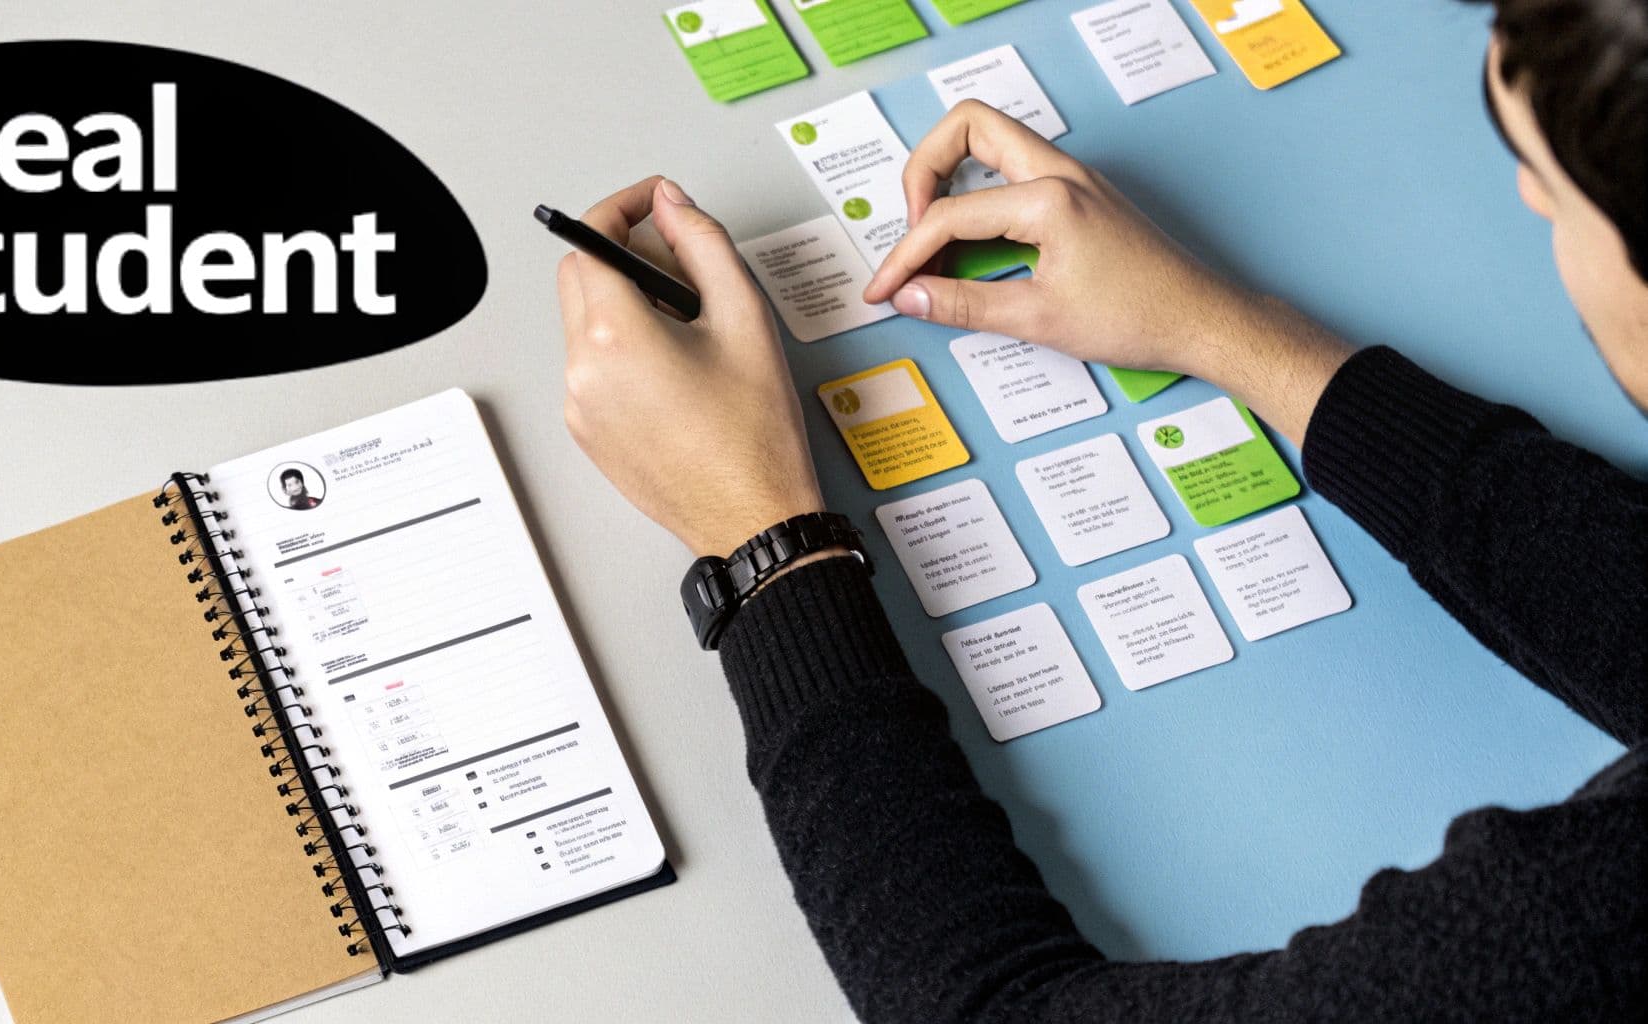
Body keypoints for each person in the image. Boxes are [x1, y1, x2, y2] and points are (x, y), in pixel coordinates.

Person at [552, 1, 1645, 1018]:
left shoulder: (1587, 927)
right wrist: (1224, 330)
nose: (1527, 197)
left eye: (1543, 174)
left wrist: (764, 549)